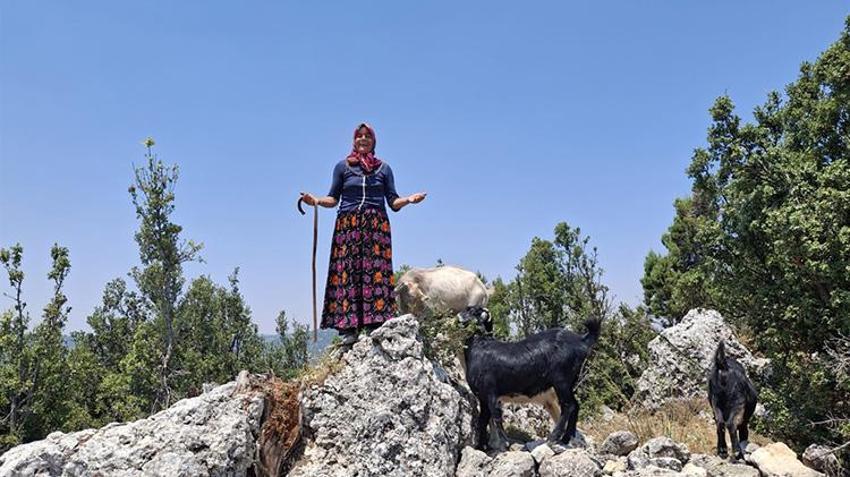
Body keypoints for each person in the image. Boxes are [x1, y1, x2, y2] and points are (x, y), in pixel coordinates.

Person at [300, 123, 426, 344]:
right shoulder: (342, 167)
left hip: (376, 227)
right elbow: (333, 199)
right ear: (354, 141)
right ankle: (349, 329)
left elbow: (393, 202)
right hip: (348, 226)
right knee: (347, 273)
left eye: (368, 136)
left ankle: (375, 324)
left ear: (374, 141)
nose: (363, 139)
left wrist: (409, 200)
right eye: (359, 136)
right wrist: (316, 201)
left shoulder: (384, 169)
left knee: (375, 273)